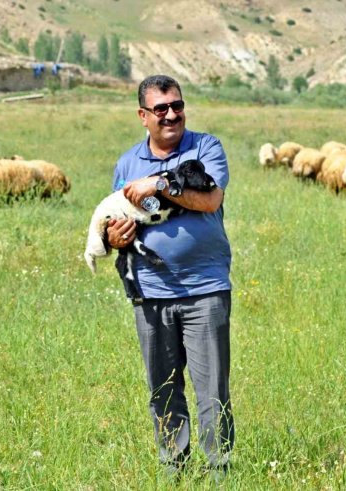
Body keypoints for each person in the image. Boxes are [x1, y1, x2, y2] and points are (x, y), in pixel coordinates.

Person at [106, 75, 234, 476]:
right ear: (143, 116)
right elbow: (116, 216)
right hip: (150, 290)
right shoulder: (127, 164)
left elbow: (210, 197)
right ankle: (173, 467)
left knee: (211, 388)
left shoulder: (205, 147)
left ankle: (220, 470)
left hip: (205, 289)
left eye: (177, 105)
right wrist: (115, 236)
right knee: (162, 387)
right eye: (160, 108)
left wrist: (158, 184)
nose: (171, 115)